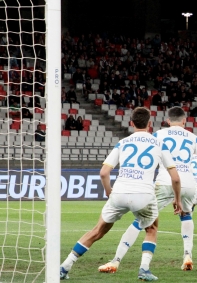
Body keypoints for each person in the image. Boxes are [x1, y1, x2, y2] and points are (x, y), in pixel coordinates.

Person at [98, 106, 197, 274]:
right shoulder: (194, 138)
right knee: (186, 215)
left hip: (165, 181)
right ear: (185, 121)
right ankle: (187, 254)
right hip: (188, 184)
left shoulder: (157, 135)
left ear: (168, 121)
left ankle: (116, 260)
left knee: (142, 220)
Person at [59, 107, 181, 281]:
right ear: (150, 124)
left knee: (97, 231)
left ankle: (65, 266)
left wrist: (109, 192)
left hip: (119, 192)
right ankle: (144, 269)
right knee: (151, 228)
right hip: (143, 194)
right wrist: (177, 200)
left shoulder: (122, 143)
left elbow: (103, 173)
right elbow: (175, 178)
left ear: (131, 123)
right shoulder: (159, 144)